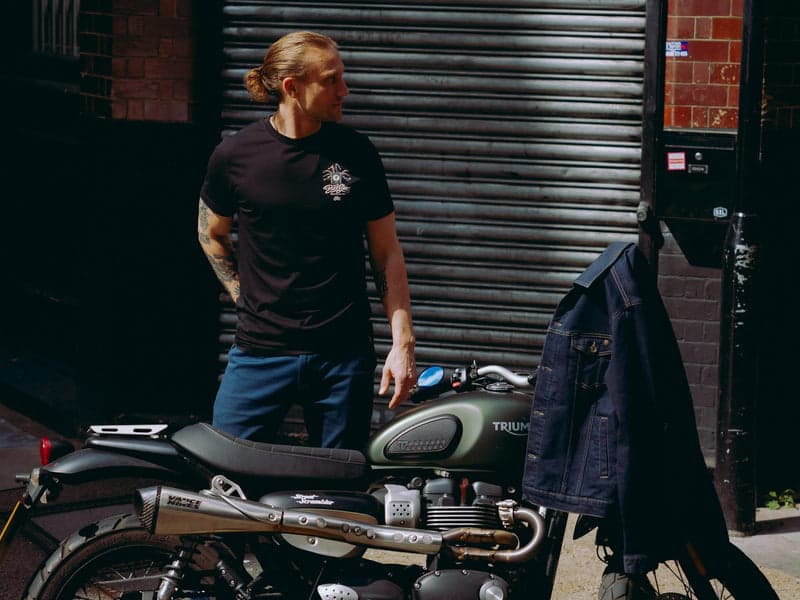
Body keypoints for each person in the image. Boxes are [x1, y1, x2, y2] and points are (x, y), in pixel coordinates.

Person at [197, 31, 416, 450]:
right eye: (331, 80)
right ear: (292, 88)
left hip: (342, 357)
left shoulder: (357, 154)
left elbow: (386, 253)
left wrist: (402, 343)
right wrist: (243, 296)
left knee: (335, 495)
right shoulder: (235, 156)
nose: (344, 91)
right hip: (260, 352)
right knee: (225, 476)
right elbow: (212, 234)